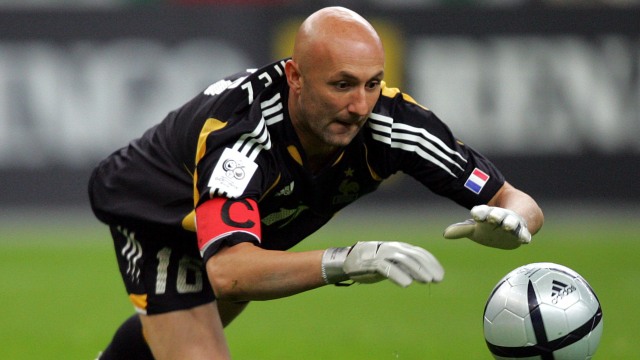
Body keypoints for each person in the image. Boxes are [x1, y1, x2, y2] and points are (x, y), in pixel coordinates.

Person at [89, 6, 543, 359]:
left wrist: (511, 223)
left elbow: (514, 199)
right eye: (342, 85)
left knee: (170, 334)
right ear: (296, 78)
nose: (359, 106)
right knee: (194, 335)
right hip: (161, 218)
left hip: (246, 233)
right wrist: (345, 261)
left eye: (372, 84)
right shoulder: (244, 133)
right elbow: (228, 273)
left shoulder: (391, 125)